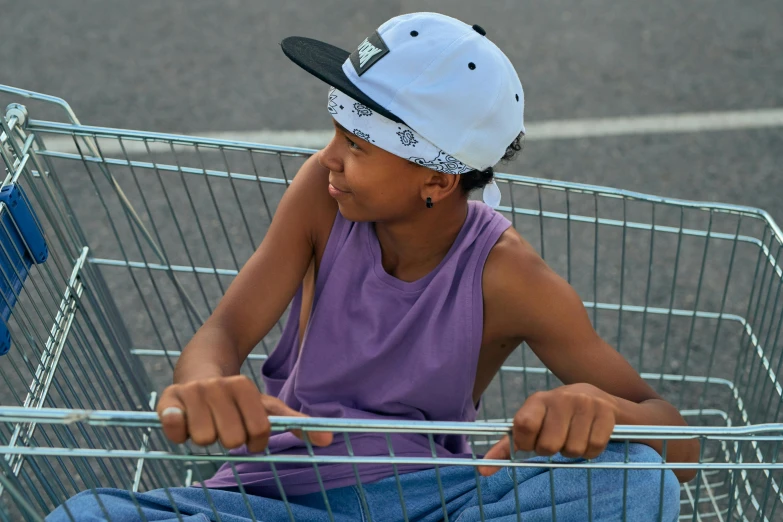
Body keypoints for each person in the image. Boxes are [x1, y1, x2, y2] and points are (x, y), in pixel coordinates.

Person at [49, 12, 697, 522]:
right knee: (83, 515)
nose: (328, 157)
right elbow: (223, 334)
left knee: (636, 481)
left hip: (429, 498)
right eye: (335, 132)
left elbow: (679, 451)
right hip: (273, 494)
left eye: (355, 145)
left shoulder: (507, 275)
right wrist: (202, 384)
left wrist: (601, 408)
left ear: (438, 180)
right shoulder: (320, 200)